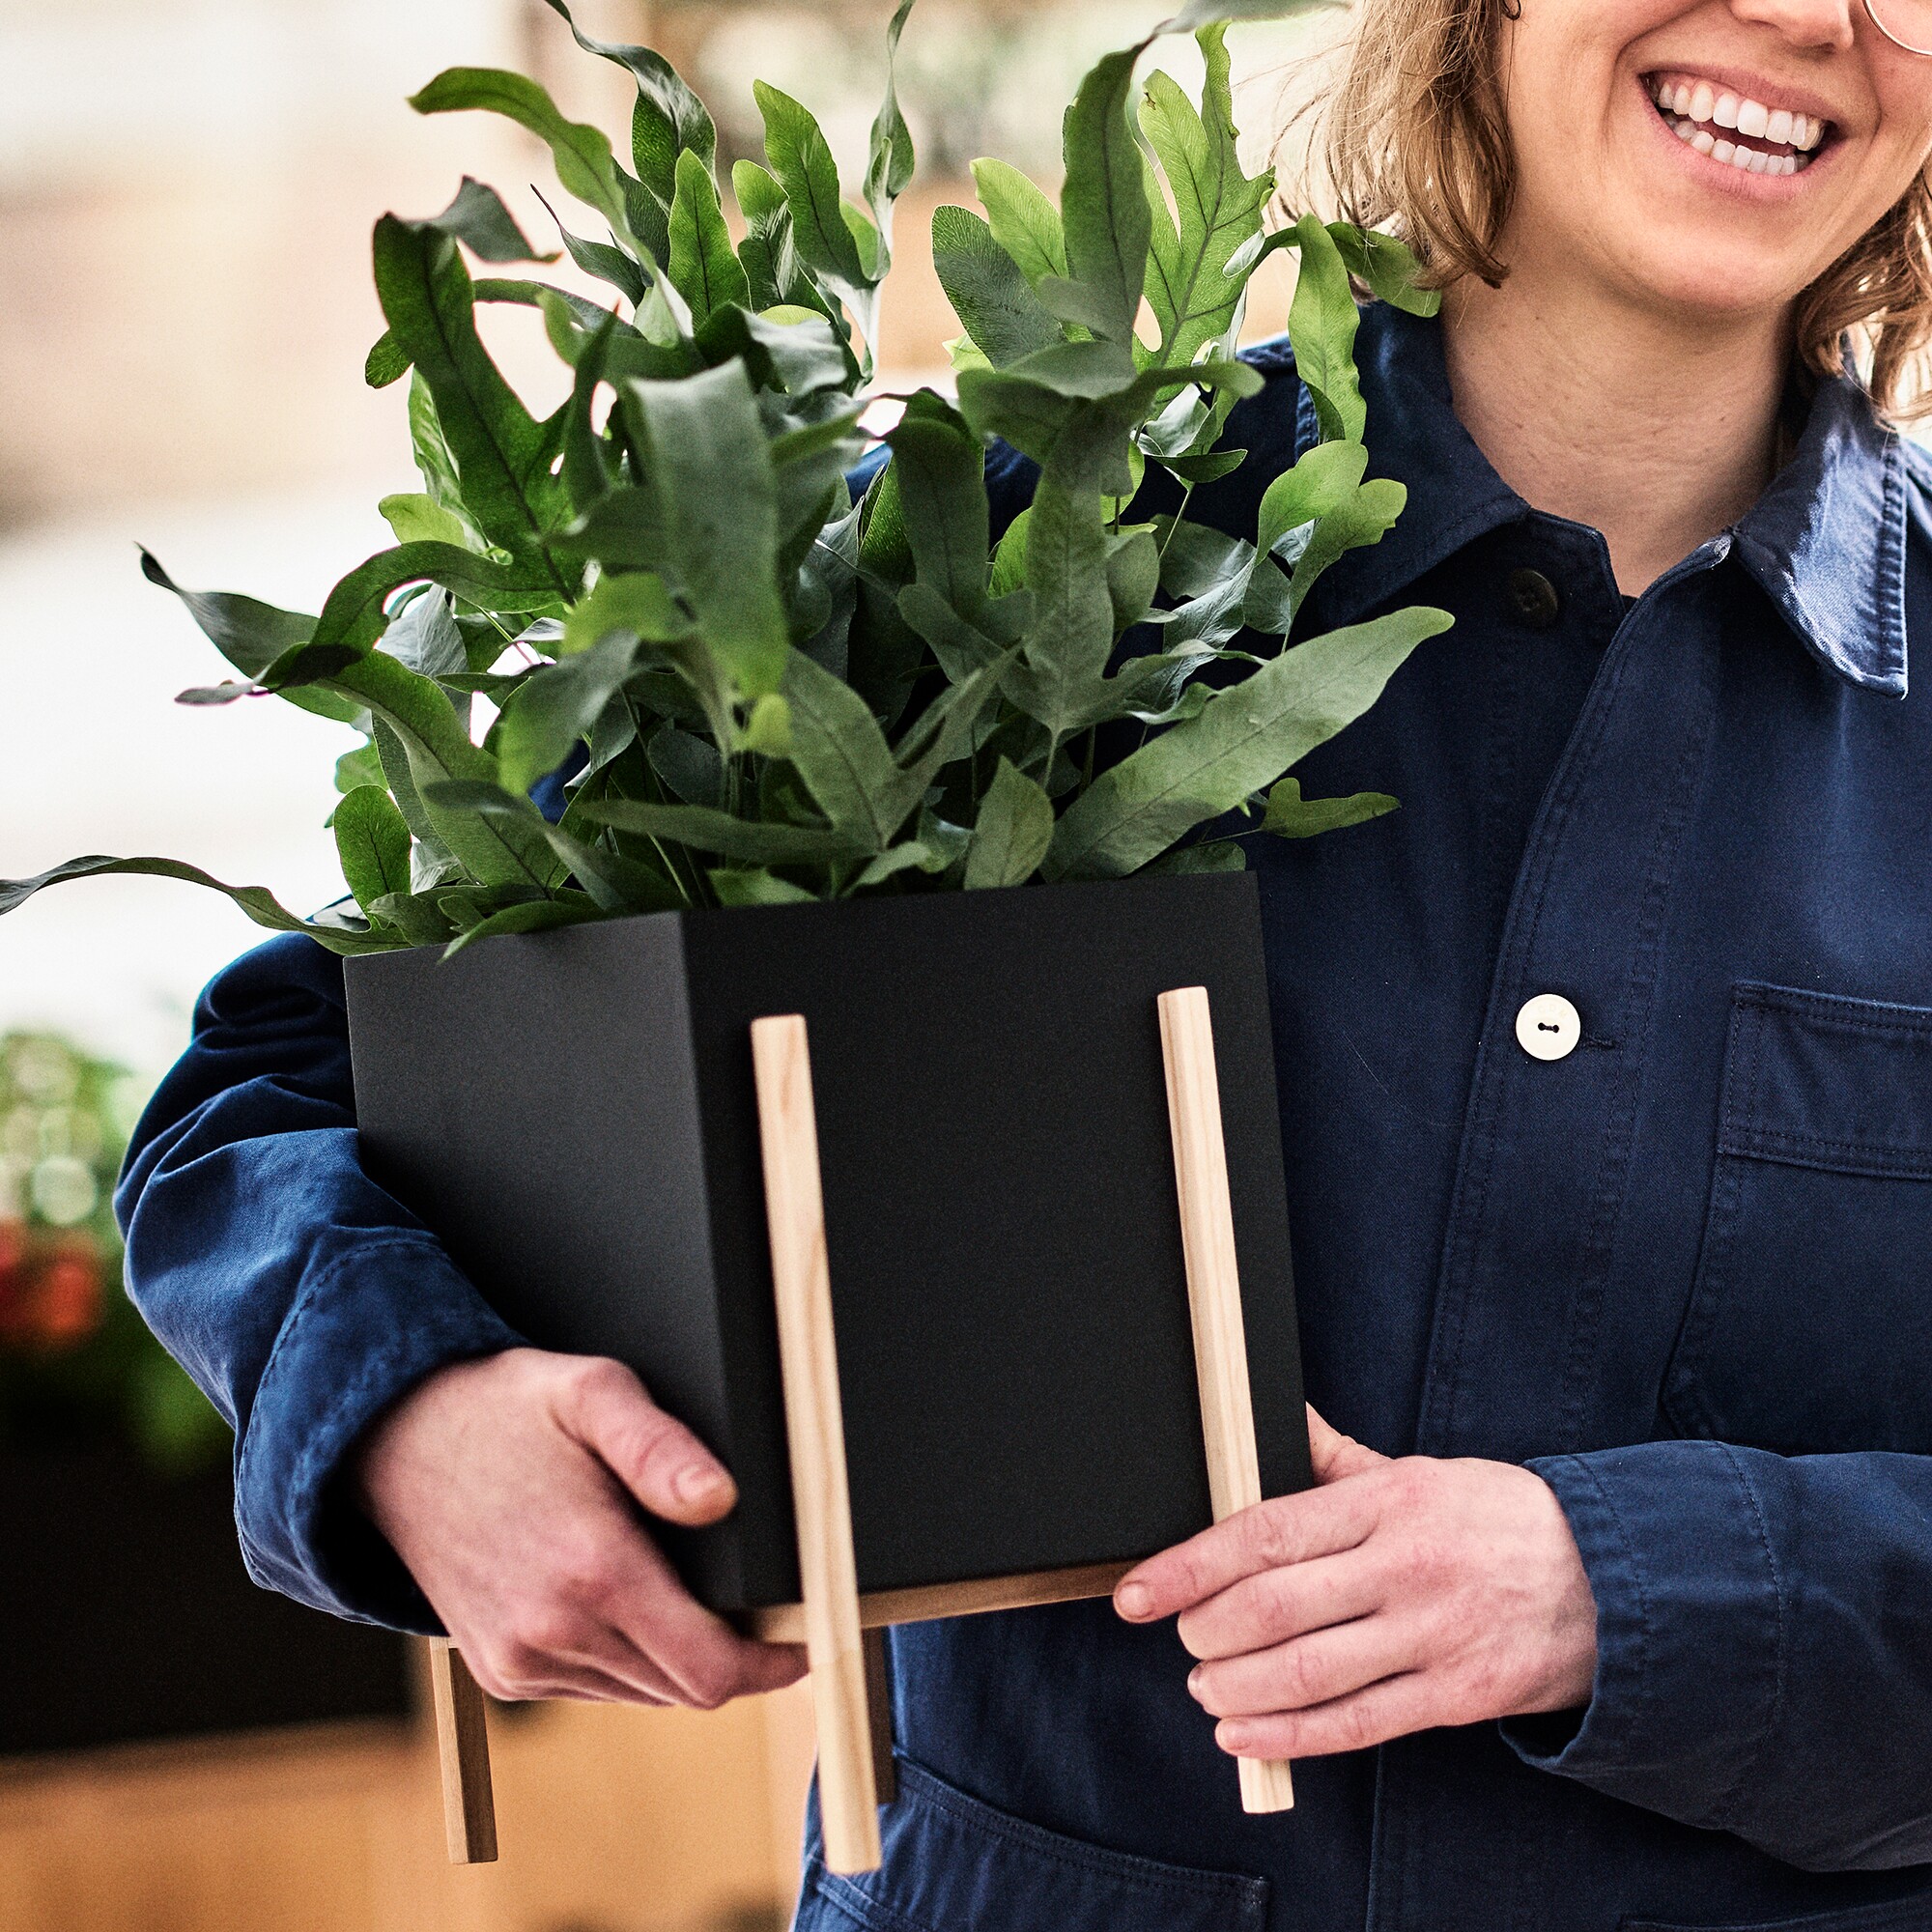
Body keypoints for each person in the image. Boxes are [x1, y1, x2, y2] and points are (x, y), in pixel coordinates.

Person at [116, 0, 1932, 1924]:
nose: (1807, 16)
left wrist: (1625, 1584)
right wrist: (416, 1414)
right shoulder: (996, 554)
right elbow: (291, 1083)